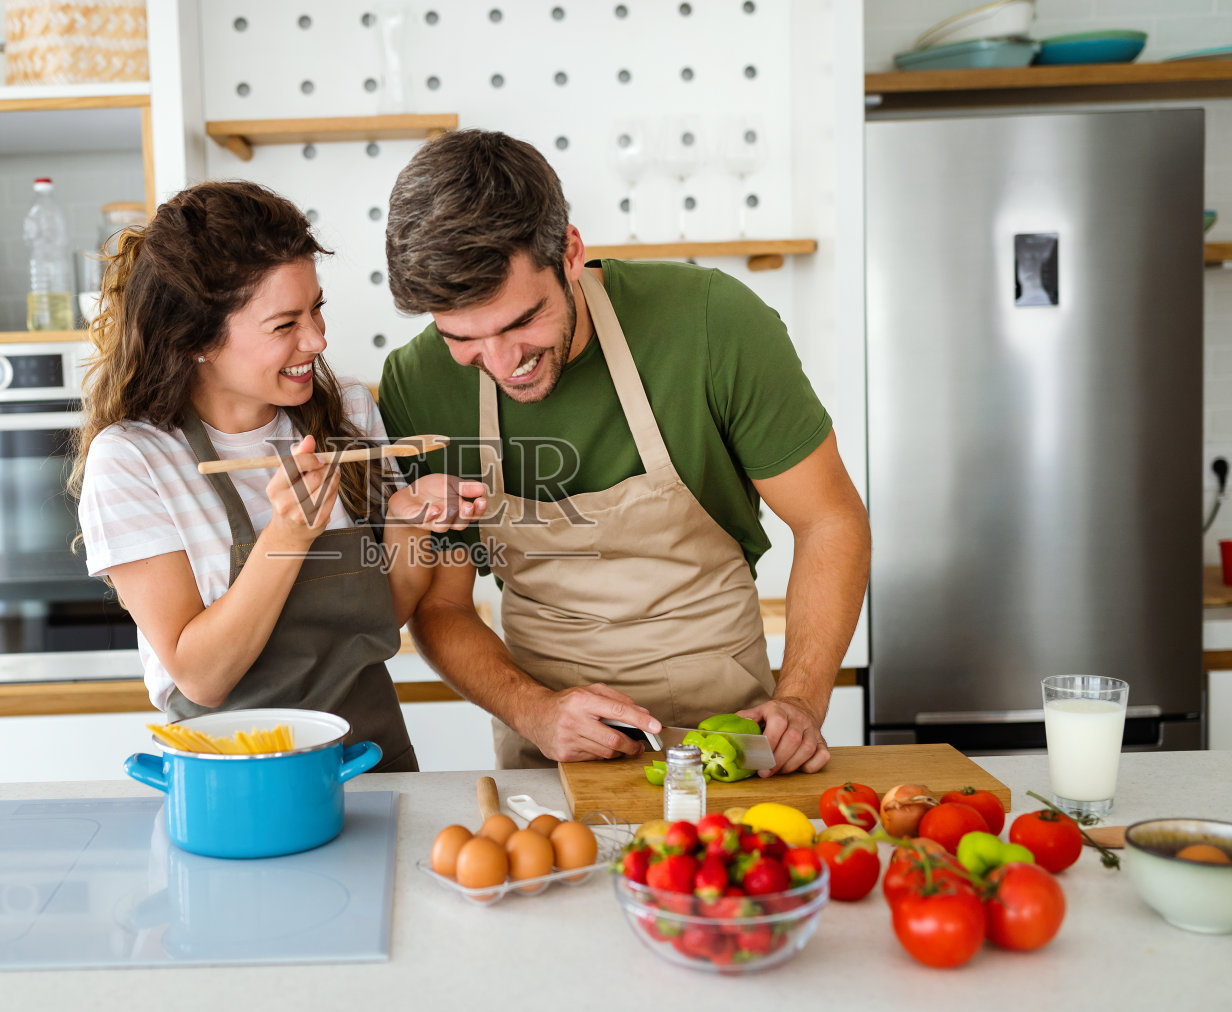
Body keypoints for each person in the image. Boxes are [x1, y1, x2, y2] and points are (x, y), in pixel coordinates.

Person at [376, 130, 871, 773]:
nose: (502, 363)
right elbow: (440, 606)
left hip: (736, 735)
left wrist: (801, 701)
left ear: (571, 253)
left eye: (522, 321)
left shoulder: (712, 323)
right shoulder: (418, 384)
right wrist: (534, 712)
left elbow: (829, 519)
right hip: (551, 753)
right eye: (462, 338)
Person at [71, 180, 486, 773]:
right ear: (196, 338)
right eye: (284, 323)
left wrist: (407, 524)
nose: (317, 341)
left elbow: (383, 615)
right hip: (241, 779)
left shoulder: (346, 411)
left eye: (316, 309)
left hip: (374, 756)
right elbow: (202, 676)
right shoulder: (134, 460)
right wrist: (286, 539)